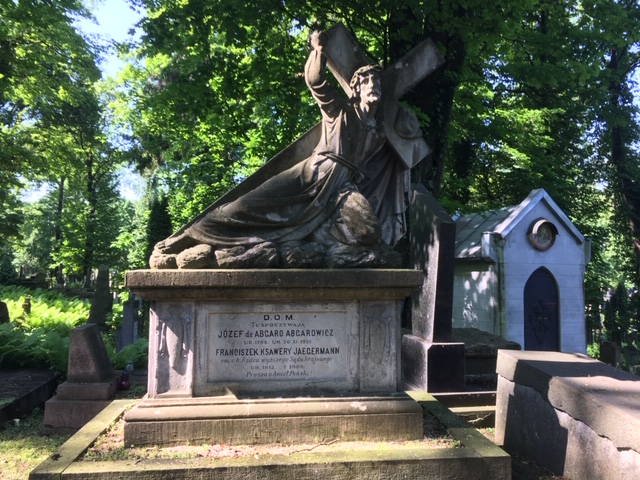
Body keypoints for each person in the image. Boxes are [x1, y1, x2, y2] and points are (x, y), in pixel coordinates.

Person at [156, 30, 405, 259]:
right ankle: (189, 237)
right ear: (356, 89)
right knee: (247, 205)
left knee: (369, 230)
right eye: (367, 81)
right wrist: (318, 50)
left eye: (376, 81)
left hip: (342, 190)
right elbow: (316, 83)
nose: (373, 86)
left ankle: (319, 249)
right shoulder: (340, 111)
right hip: (313, 175)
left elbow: (374, 174)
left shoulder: (377, 135)